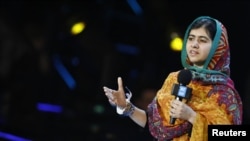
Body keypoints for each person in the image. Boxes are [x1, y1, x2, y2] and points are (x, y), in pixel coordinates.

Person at [103, 16, 243, 141]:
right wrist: (126, 107)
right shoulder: (175, 79)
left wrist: (192, 117)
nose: (194, 44)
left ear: (217, 47)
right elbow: (154, 124)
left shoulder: (225, 94)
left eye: (202, 40)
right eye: (191, 38)